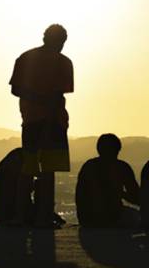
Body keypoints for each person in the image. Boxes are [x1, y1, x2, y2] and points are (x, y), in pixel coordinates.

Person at [9, 24, 73, 228]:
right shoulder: (63, 62)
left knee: (28, 168)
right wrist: (45, 103)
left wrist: (36, 99)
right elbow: (58, 94)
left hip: (32, 120)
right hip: (52, 121)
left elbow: (16, 89)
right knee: (48, 170)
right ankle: (42, 216)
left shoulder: (26, 58)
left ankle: (21, 215)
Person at [75, 133, 141, 228]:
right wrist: (120, 193)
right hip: (114, 217)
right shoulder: (122, 167)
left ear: (98, 149)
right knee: (138, 218)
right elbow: (136, 198)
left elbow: (79, 196)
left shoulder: (88, 166)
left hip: (87, 219)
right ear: (118, 150)